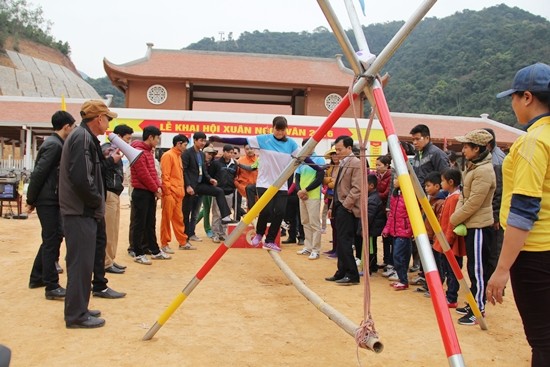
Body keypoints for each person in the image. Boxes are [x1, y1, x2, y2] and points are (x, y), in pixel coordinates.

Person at [487, 62, 550, 367]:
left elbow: (524, 212)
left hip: (535, 253)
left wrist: (501, 270)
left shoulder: (532, 142)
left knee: (543, 341)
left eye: (513, 97)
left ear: (527, 97)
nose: (512, 104)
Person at [210, 116, 319, 252]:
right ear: (272, 128)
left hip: (281, 185)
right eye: (277, 129)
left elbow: (304, 157)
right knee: (266, 211)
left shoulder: (291, 144)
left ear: (286, 129)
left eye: (282, 130)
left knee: (279, 212)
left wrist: (319, 168)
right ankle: (260, 233)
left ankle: (270, 240)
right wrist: (220, 139)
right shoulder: (263, 139)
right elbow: (241, 140)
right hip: (264, 183)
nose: (279, 133)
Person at [59, 100, 119, 328]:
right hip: (80, 211)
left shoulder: (82, 137)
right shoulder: (82, 138)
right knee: (79, 264)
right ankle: (76, 315)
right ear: (98, 119)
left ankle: (80, 308)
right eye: (107, 118)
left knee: (82, 264)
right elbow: (82, 178)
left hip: (81, 210)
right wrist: (96, 202)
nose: (108, 123)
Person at [27, 110, 76, 299]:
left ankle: (37, 276)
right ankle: (51, 285)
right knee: (52, 239)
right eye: (72, 127)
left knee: (52, 238)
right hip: (49, 200)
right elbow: (39, 173)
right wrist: (31, 200)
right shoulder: (55, 145)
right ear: (66, 127)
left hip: (50, 198)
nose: (73, 130)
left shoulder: (55, 143)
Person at [450, 129, 496, 326]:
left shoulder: (484, 171)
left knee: (477, 269)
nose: (463, 150)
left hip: (479, 226)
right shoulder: (473, 167)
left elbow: (474, 202)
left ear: (477, 149)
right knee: (472, 267)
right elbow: (463, 196)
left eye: (466, 146)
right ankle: (474, 304)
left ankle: (478, 309)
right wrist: (457, 215)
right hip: (471, 223)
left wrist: (454, 218)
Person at [409, 124, 450, 273]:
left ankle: (437, 276)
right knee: (421, 238)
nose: (414, 142)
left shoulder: (436, 154)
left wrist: (438, 198)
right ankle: (423, 273)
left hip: (434, 203)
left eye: (417, 139)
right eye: (413, 140)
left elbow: (447, 178)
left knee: (433, 240)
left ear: (427, 138)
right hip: (420, 202)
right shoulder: (417, 155)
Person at [130, 125, 171, 265]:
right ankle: (138, 253)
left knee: (150, 223)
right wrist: (156, 189)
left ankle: (154, 250)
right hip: (141, 192)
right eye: (157, 138)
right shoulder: (138, 152)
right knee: (139, 224)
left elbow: (153, 173)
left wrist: (158, 186)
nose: (158, 140)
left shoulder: (148, 151)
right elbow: (143, 175)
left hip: (149, 192)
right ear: (150, 137)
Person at [182, 132, 233, 243]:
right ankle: (185, 236)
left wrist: (210, 179)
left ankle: (225, 216)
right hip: (190, 187)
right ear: (195, 140)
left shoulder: (201, 154)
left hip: (200, 185)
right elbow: (184, 171)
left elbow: (204, 171)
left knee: (219, 191)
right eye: (201, 140)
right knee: (187, 213)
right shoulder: (187, 153)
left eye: (204, 141)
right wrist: (188, 185)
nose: (203, 143)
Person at [325, 135, 362, 285]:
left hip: (349, 208)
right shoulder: (341, 164)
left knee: (345, 241)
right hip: (339, 205)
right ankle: (341, 271)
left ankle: (352, 274)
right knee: (340, 240)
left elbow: (357, 188)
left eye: (340, 149)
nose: (337, 152)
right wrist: (333, 207)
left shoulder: (356, 163)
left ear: (349, 148)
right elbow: (338, 188)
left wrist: (345, 206)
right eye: (336, 149)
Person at [101, 124, 134, 274]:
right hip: (108, 193)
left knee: (113, 230)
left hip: (114, 193)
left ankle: (110, 259)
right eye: (127, 139)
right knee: (109, 230)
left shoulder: (116, 150)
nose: (129, 142)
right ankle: (106, 262)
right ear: (119, 137)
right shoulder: (108, 149)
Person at [433, 168, 466, 308]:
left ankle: (452, 298)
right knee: (448, 268)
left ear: (451, 182)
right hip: (446, 239)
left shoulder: (455, 198)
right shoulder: (450, 196)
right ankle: (449, 295)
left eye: (443, 181)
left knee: (452, 270)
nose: (441, 183)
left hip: (450, 241)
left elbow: (451, 222)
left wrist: (448, 240)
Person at [160, 134, 195, 253]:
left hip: (178, 194)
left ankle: (182, 242)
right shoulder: (168, 155)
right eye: (185, 145)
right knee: (166, 220)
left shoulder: (178, 156)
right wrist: (168, 192)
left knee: (179, 219)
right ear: (179, 144)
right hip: (170, 193)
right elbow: (165, 176)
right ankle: (164, 244)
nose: (186, 147)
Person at [295, 139, 325, 260]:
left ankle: (316, 250)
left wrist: (306, 190)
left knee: (314, 223)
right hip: (302, 195)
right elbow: (297, 177)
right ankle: (307, 247)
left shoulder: (319, 159)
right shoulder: (301, 160)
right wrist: (299, 191)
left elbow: (319, 178)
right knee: (305, 222)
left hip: (313, 196)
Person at [482, 128, 506, 278]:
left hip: (494, 215)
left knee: (493, 250)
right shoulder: (492, 157)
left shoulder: (496, 160)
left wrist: (496, 216)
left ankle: (492, 283)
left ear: (488, 144)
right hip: (489, 212)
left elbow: (499, 191)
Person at [382, 177, 413, 290]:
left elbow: (413, 215)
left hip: (404, 232)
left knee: (399, 256)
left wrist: (410, 230)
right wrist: (387, 229)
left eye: (396, 178)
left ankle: (403, 280)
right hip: (395, 231)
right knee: (400, 256)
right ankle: (402, 279)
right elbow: (391, 215)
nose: (394, 181)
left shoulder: (409, 196)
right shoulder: (395, 195)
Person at [420, 171, 447, 296]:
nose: (426, 188)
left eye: (428, 185)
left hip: (434, 238)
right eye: (425, 186)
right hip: (428, 236)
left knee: (436, 264)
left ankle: (437, 288)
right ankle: (428, 285)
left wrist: (435, 237)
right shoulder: (430, 200)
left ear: (437, 186)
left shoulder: (440, 202)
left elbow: (438, 222)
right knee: (428, 262)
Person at [209, 144, 238, 243]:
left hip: (229, 193)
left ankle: (223, 233)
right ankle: (215, 234)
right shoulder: (216, 163)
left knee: (226, 214)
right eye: (229, 152)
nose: (230, 154)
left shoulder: (235, 165)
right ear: (224, 152)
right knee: (217, 214)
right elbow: (211, 176)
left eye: (232, 153)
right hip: (218, 193)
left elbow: (235, 176)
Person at [196, 145, 218, 238]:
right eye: (209, 153)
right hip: (201, 187)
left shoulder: (211, 163)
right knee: (206, 208)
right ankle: (207, 229)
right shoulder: (200, 162)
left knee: (205, 208)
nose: (210, 156)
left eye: (212, 154)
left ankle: (190, 225)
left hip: (209, 187)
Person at [366, 174, 386, 275]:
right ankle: (372, 265)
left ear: (371, 186)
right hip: (373, 227)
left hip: (371, 228)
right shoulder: (372, 197)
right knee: (371, 247)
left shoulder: (372, 199)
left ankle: (371, 266)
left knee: (371, 248)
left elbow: (369, 216)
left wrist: (364, 229)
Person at [374, 155, 392, 269]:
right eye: (376, 165)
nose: (377, 167)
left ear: (387, 165)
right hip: (378, 209)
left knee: (389, 237)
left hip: (387, 209)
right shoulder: (376, 176)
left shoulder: (391, 176)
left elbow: (387, 193)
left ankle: (390, 261)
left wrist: (374, 196)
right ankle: (386, 259)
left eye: (379, 165)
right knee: (383, 236)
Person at [322, 147, 339, 257]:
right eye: (333, 155)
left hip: (338, 198)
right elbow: (324, 180)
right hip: (330, 197)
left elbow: (337, 182)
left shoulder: (342, 166)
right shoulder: (330, 167)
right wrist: (329, 181)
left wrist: (331, 181)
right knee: (333, 224)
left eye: (336, 154)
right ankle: (334, 249)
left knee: (338, 225)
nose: (334, 156)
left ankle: (338, 250)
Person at [234, 144, 258, 212]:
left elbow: (251, 168)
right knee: (244, 214)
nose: (249, 150)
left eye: (251, 148)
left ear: (255, 149)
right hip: (242, 191)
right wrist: (239, 186)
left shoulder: (259, 161)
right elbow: (235, 176)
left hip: (257, 191)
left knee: (258, 212)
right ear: (244, 149)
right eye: (247, 149)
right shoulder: (240, 161)